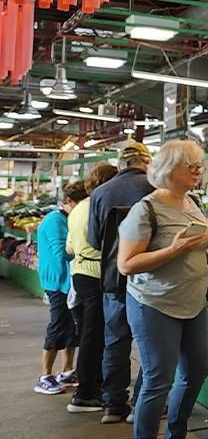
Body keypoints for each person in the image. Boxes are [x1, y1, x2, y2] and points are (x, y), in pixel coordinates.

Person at [116, 140, 208, 439]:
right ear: (170, 169)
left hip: (193, 301)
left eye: (200, 166)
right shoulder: (146, 210)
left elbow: (201, 244)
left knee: (197, 370)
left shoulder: (193, 202)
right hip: (154, 304)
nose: (199, 172)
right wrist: (170, 251)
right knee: (158, 379)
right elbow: (127, 264)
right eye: (192, 167)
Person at [88, 139, 153, 424]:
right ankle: (142, 403)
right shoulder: (156, 190)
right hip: (151, 277)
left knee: (115, 341)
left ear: (120, 164)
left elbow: (93, 240)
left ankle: (113, 405)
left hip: (114, 278)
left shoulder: (101, 193)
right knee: (150, 343)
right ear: (146, 162)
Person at [64, 162, 119, 412]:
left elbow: (70, 248)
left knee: (89, 331)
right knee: (94, 334)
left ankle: (90, 385)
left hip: (80, 273)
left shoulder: (78, 209)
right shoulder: (99, 206)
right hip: (95, 273)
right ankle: (85, 393)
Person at [33, 181, 88, 395]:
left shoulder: (69, 218)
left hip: (70, 281)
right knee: (57, 326)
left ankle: (66, 371)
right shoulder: (55, 221)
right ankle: (45, 376)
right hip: (58, 282)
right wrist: (86, 247)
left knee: (72, 327)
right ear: (70, 202)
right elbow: (62, 253)